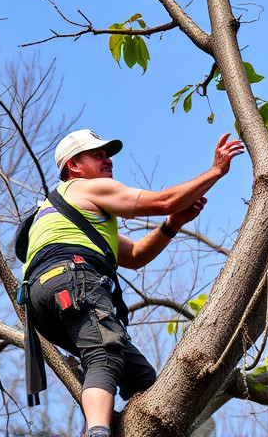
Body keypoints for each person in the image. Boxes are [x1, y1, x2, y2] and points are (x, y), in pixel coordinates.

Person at [22, 129, 244, 437]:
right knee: (104, 354)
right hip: (73, 281)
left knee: (141, 377)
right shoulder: (88, 188)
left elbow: (136, 255)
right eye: (97, 155)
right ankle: (98, 432)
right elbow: (164, 200)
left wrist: (173, 225)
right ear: (73, 165)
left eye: (107, 154)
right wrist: (215, 172)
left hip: (45, 302)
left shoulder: (69, 213)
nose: (107, 160)